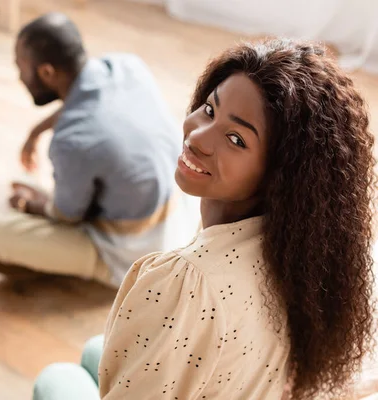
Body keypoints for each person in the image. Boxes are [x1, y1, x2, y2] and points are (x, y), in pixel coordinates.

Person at [32, 38, 376, 399]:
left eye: (235, 138)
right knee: (94, 351)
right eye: (210, 110)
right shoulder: (300, 250)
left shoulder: (186, 281)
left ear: (281, 174)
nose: (196, 137)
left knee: (56, 378)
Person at [0, 13, 188, 287]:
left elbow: (67, 215)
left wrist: (29, 204)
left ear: (46, 72)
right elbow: (90, 105)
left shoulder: (71, 141)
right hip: (182, 212)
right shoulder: (126, 66)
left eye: (21, 67)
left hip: (138, 252)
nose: (19, 76)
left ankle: (99, 269)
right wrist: (36, 131)